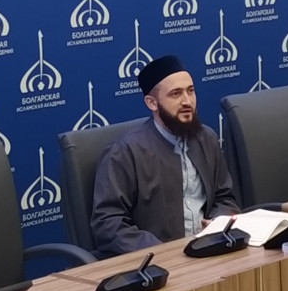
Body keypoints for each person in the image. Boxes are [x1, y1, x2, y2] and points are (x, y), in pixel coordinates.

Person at [90, 54, 240, 256]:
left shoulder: (207, 138)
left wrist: (217, 224)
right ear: (152, 103)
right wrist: (161, 250)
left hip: (210, 248)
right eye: (175, 94)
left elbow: (224, 197)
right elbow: (108, 223)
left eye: (190, 91)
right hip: (157, 261)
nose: (187, 101)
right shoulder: (124, 152)